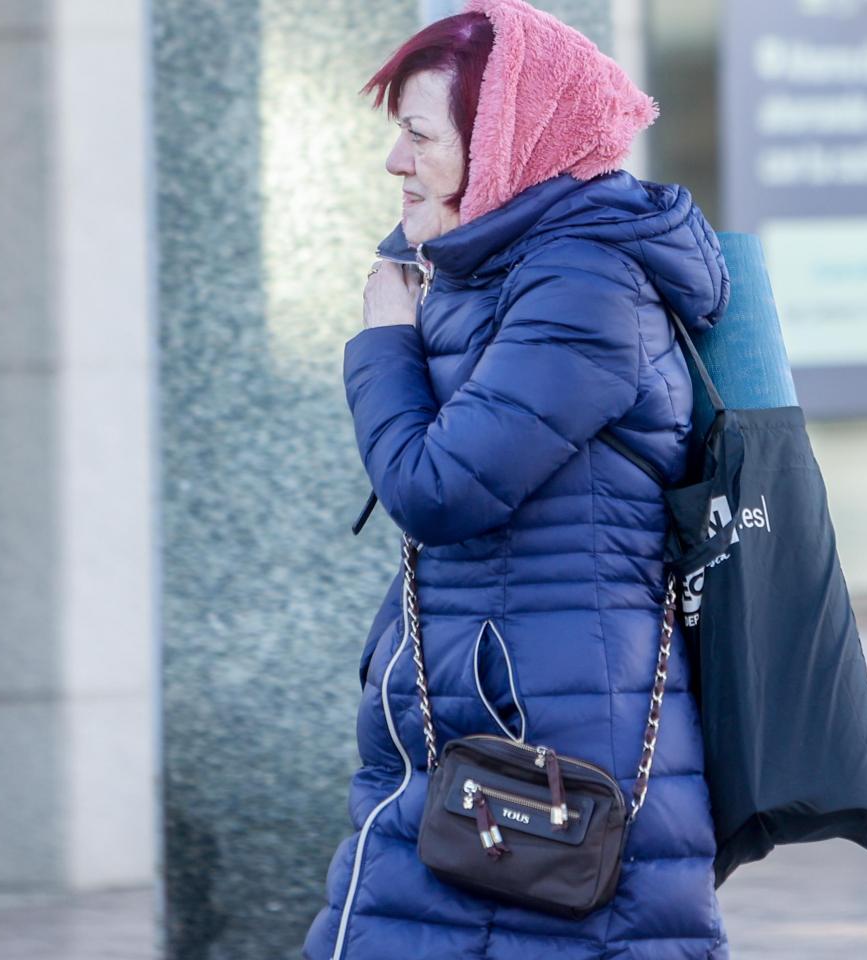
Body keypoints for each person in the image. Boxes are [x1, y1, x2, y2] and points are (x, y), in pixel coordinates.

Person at [304, 1, 731, 957]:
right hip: (487, 732)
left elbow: (438, 488)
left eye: (419, 135)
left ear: (507, 141)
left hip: (540, 750)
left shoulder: (586, 283)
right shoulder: (501, 275)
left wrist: (382, 340)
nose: (395, 163)